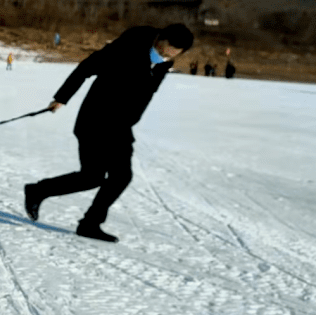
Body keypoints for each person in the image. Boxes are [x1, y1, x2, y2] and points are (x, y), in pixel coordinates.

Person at [23, 23, 194, 242]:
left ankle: (89, 224)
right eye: (163, 49)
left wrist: (131, 119)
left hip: (121, 127)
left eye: (172, 53)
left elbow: (146, 94)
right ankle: (38, 191)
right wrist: (62, 98)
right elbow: (86, 67)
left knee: (121, 177)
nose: (165, 55)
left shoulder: (162, 64)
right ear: (158, 38)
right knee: (92, 177)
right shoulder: (125, 48)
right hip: (94, 121)